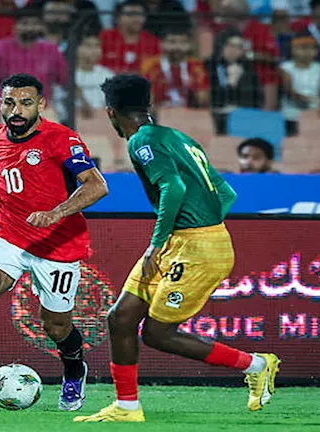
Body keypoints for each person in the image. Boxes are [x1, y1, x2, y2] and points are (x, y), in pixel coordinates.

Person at [74, 74, 280, 423]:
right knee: (121, 318)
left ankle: (257, 365)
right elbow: (226, 192)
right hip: (187, 239)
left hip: (195, 248)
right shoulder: (179, 138)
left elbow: (173, 187)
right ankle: (126, 407)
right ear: (149, 105)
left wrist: (162, 242)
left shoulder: (141, 141)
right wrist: (204, 223)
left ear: (110, 112)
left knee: (157, 334)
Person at [0, 73, 109, 411]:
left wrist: (56, 213)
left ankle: (74, 373)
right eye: (9, 102)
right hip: (7, 233)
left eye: (26, 103)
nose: (16, 110)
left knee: (55, 325)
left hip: (57, 243)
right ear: (0, 104)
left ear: (41, 104)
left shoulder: (62, 139)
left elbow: (96, 185)